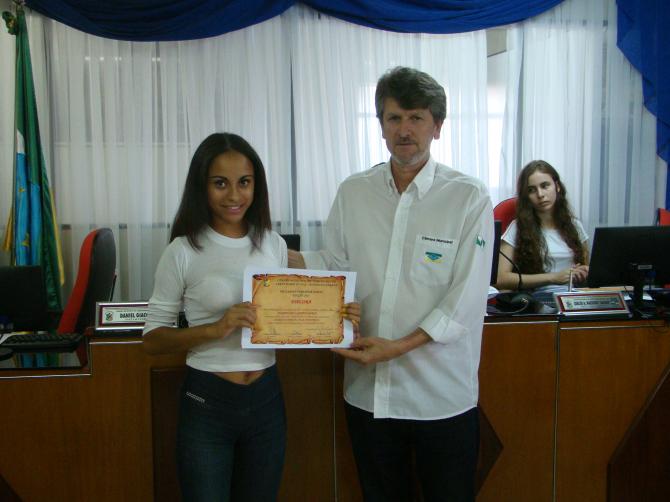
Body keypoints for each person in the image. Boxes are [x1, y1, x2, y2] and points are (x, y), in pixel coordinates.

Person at [289, 67, 494, 501]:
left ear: (437, 126)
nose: (404, 130)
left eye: (416, 117)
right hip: (369, 397)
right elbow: (333, 266)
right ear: (381, 124)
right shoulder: (353, 192)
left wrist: (395, 348)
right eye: (394, 117)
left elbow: (465, 301)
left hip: (441, 398)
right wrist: (260, 251)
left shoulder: (468, 197)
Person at [142, 132, 359, 501]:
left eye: (244, 182)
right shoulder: (182, 250)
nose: (234, 195)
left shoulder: (272, 244)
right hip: (207, 400)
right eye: (220, 183)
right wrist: (216, 328)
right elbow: (152, 340)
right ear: (201, 187)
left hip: (266, 400)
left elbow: (292, 311)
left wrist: (339, 314)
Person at [496, 160, 589, 293]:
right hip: (535, 299)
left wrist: (583, 272)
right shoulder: (517, 228)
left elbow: (586, 268)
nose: (540, 195)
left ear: (557, 186)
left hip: (570, 298)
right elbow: (500, 278)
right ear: (526, 196)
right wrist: (553, 278)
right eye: (531, 190)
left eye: (545, 186)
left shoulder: (575, 226)